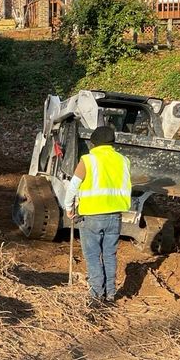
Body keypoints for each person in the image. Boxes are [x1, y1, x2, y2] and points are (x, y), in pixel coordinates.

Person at [64, 125, 132, 307]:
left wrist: (69, 207)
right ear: (112, 143)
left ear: (93, 143)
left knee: (93, 255)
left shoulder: (88, 160)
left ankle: (96, 295)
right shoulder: (123, 160)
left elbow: (72, 187)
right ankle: (110, 295)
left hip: (92, 216)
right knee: (110, 255)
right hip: (116, 216)